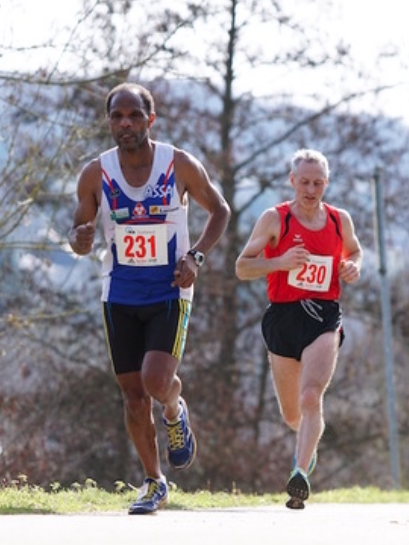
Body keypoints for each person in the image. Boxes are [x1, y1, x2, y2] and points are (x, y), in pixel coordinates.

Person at [68, 82, 231, 514]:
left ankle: (175, 410)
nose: (125, 124)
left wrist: (196, 256)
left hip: (170, 288)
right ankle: (154, 481)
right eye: (117, 117)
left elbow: (220, 210)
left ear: (150, 119)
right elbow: (79, 234)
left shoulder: (178, 164)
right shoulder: (96, 174)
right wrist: (80, 239)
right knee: (134, 396)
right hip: (119, 292)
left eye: (134, 116)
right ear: (109, 122)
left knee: (156, 383)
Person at [235, 148, 362, 509]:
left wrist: (353, 267)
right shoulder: (275, 219)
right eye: (304, 182)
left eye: (318, 183)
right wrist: (279, 262)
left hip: (324, 316)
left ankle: (300, 474)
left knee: (311, 397)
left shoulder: (339, 220)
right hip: (283, 318)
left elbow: (354, 251)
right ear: (292, 181)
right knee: (293, 415)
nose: (310, 189)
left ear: (327, 183)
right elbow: (242, 267)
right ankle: (308, 446)